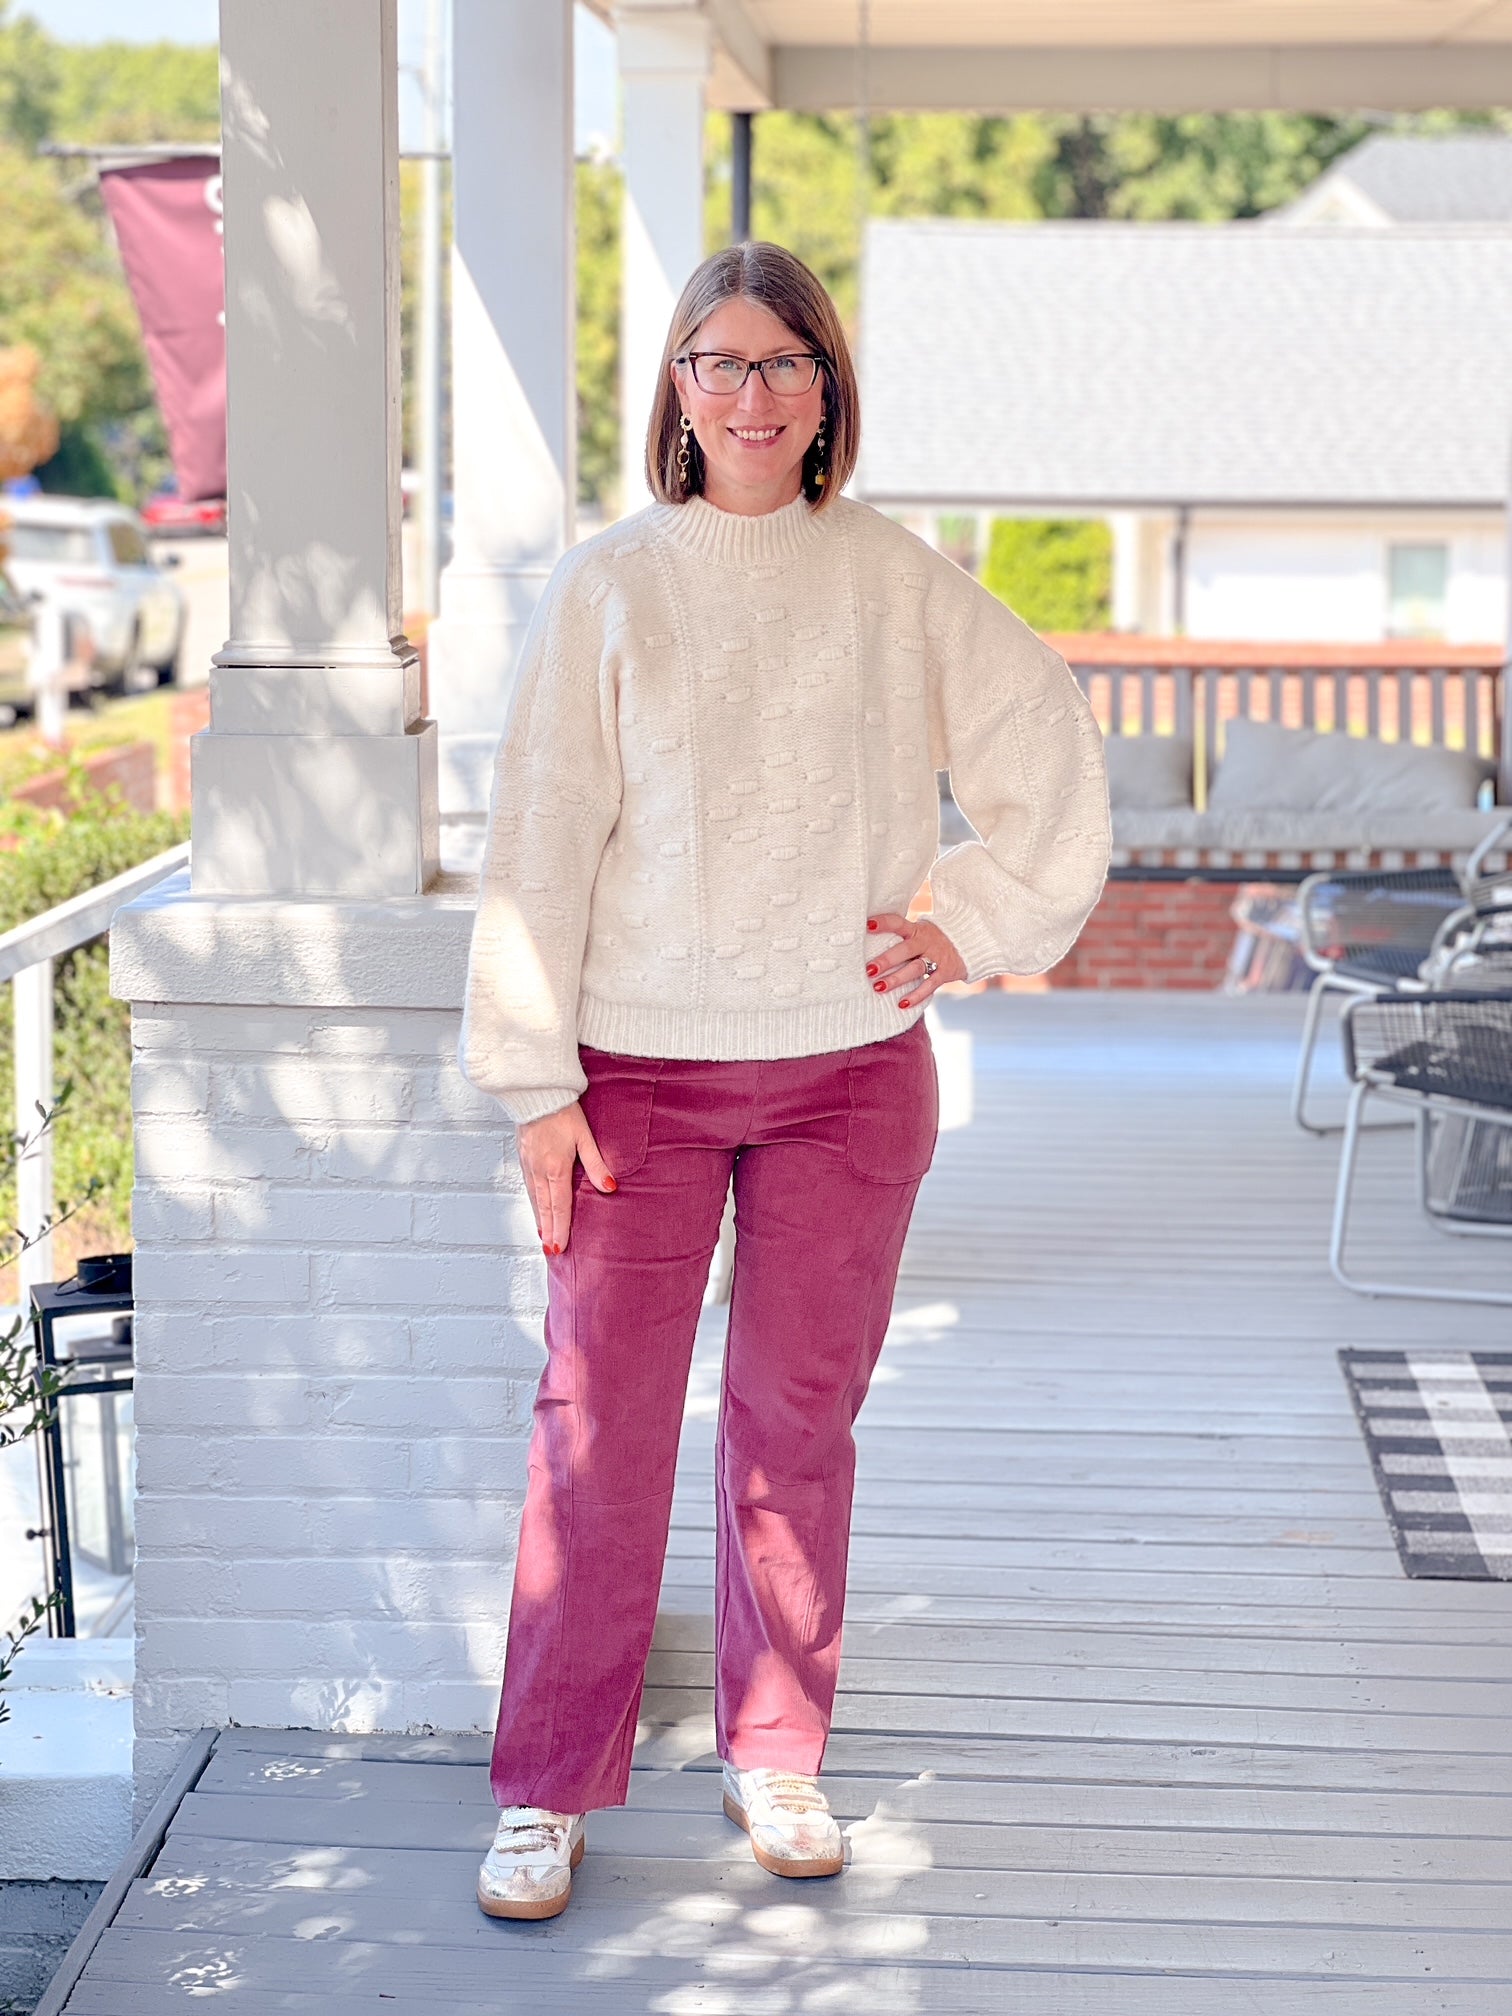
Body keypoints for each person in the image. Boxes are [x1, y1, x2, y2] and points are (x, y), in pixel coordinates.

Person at [459, 241, 1110, 1921]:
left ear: (829, 391)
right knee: (595, 1437)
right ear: (675, 390)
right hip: (637, 1083)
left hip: (844, 1073)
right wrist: (535, 1081)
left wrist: (965, 919)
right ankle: (545, 1788)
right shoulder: (606, 588)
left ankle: (776, 1751)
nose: (749, 397)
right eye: (717, 364)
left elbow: (1043, 739)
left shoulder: (896, 579)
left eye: (782, 365)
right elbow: (539, 838)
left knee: (792, 1429)